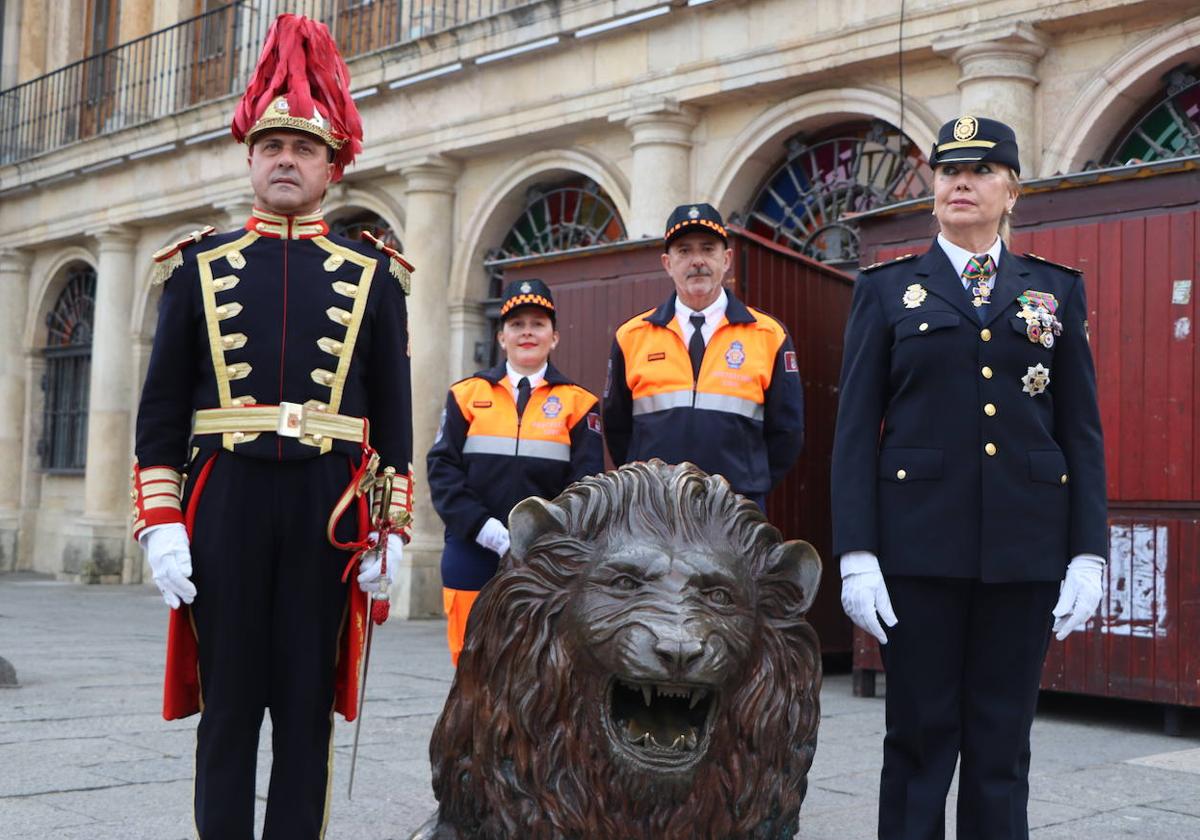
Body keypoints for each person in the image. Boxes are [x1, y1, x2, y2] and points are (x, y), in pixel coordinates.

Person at [130, 15, 414, 838]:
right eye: (271, 147)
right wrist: (159, 522)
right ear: (251, 159)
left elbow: (391, 412)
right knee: (227, 710)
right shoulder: (197, 266)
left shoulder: (375, 276)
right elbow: (160, 409)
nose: (286, 159)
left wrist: (391, 529)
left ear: (332, 167)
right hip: (226, 501)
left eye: (305, 150)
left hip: (329, 509)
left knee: (304, 709)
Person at [831, 116, 1107, 840]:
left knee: (1001, 747)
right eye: (948, 170)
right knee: (919, 741)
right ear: (932, 188)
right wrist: (857, 554)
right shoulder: (889, 291)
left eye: (981, 170)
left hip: (1024, 554)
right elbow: (857, 432)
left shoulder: (1054, 291)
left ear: (1011, 190)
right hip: (918, 554)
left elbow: (1079, 432)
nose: (961, 181)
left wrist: (1088, 552)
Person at [427, 278, 603, 664]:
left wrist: (544, 535)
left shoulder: (579, 403)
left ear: (554, 337)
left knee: (540, 666)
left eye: (538, 324)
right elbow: (443, 471)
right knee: (472, 666)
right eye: (517, 324)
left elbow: (586, 486)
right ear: (501, 336)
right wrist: (483, 528)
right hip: (471, 550)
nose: (527, 332)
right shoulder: (466, 395)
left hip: (547, 557)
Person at [603, 203, 804, 508]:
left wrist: (746, 485)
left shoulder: (769, 335)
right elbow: (617, 428)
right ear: (667, 263)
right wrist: (647, 485)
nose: (697, 261)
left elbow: (787, 433)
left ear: (726, 260)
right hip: (652, 510)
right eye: (684, 251)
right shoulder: (631, 336)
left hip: (735, 510)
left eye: (707, 249)